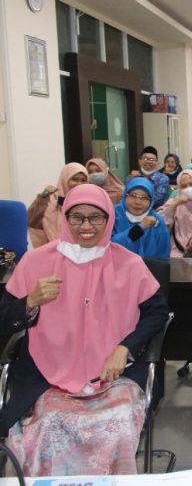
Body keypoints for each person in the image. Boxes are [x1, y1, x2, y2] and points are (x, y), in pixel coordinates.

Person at [0, 184, 168, 475]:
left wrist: (125, 347)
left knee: (116, 427)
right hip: (46, 374)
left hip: (113, 374)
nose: (86, 226)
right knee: (47, 428)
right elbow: (4, 319)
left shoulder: (128, 264)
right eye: (77, 217)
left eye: (96, 218)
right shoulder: (36, 262)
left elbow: (157, 313)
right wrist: (30, 301)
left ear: (109, 220)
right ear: (65, 218)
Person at [27, 163, 88, 248]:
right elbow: (35, 230)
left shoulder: (90, 202)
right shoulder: (47, 202)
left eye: (83, 180)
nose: (79, 184)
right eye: (74, 179)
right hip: (51, 253)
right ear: (64, 179)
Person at [113, 178, 170, 259]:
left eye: (144, 197)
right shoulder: (114, 215)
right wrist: (140, 228)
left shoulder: (157, 221)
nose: (138, 202)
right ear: (124, 196)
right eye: (133, 196)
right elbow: (110, 247)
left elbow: (163, 256)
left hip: (149, 269)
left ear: (151, 201)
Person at [158, 169, 192, 257]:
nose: (189, 188)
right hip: (178, 252)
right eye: (184, 186)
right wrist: (175, 204)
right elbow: (159, 222)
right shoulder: (174, 202)